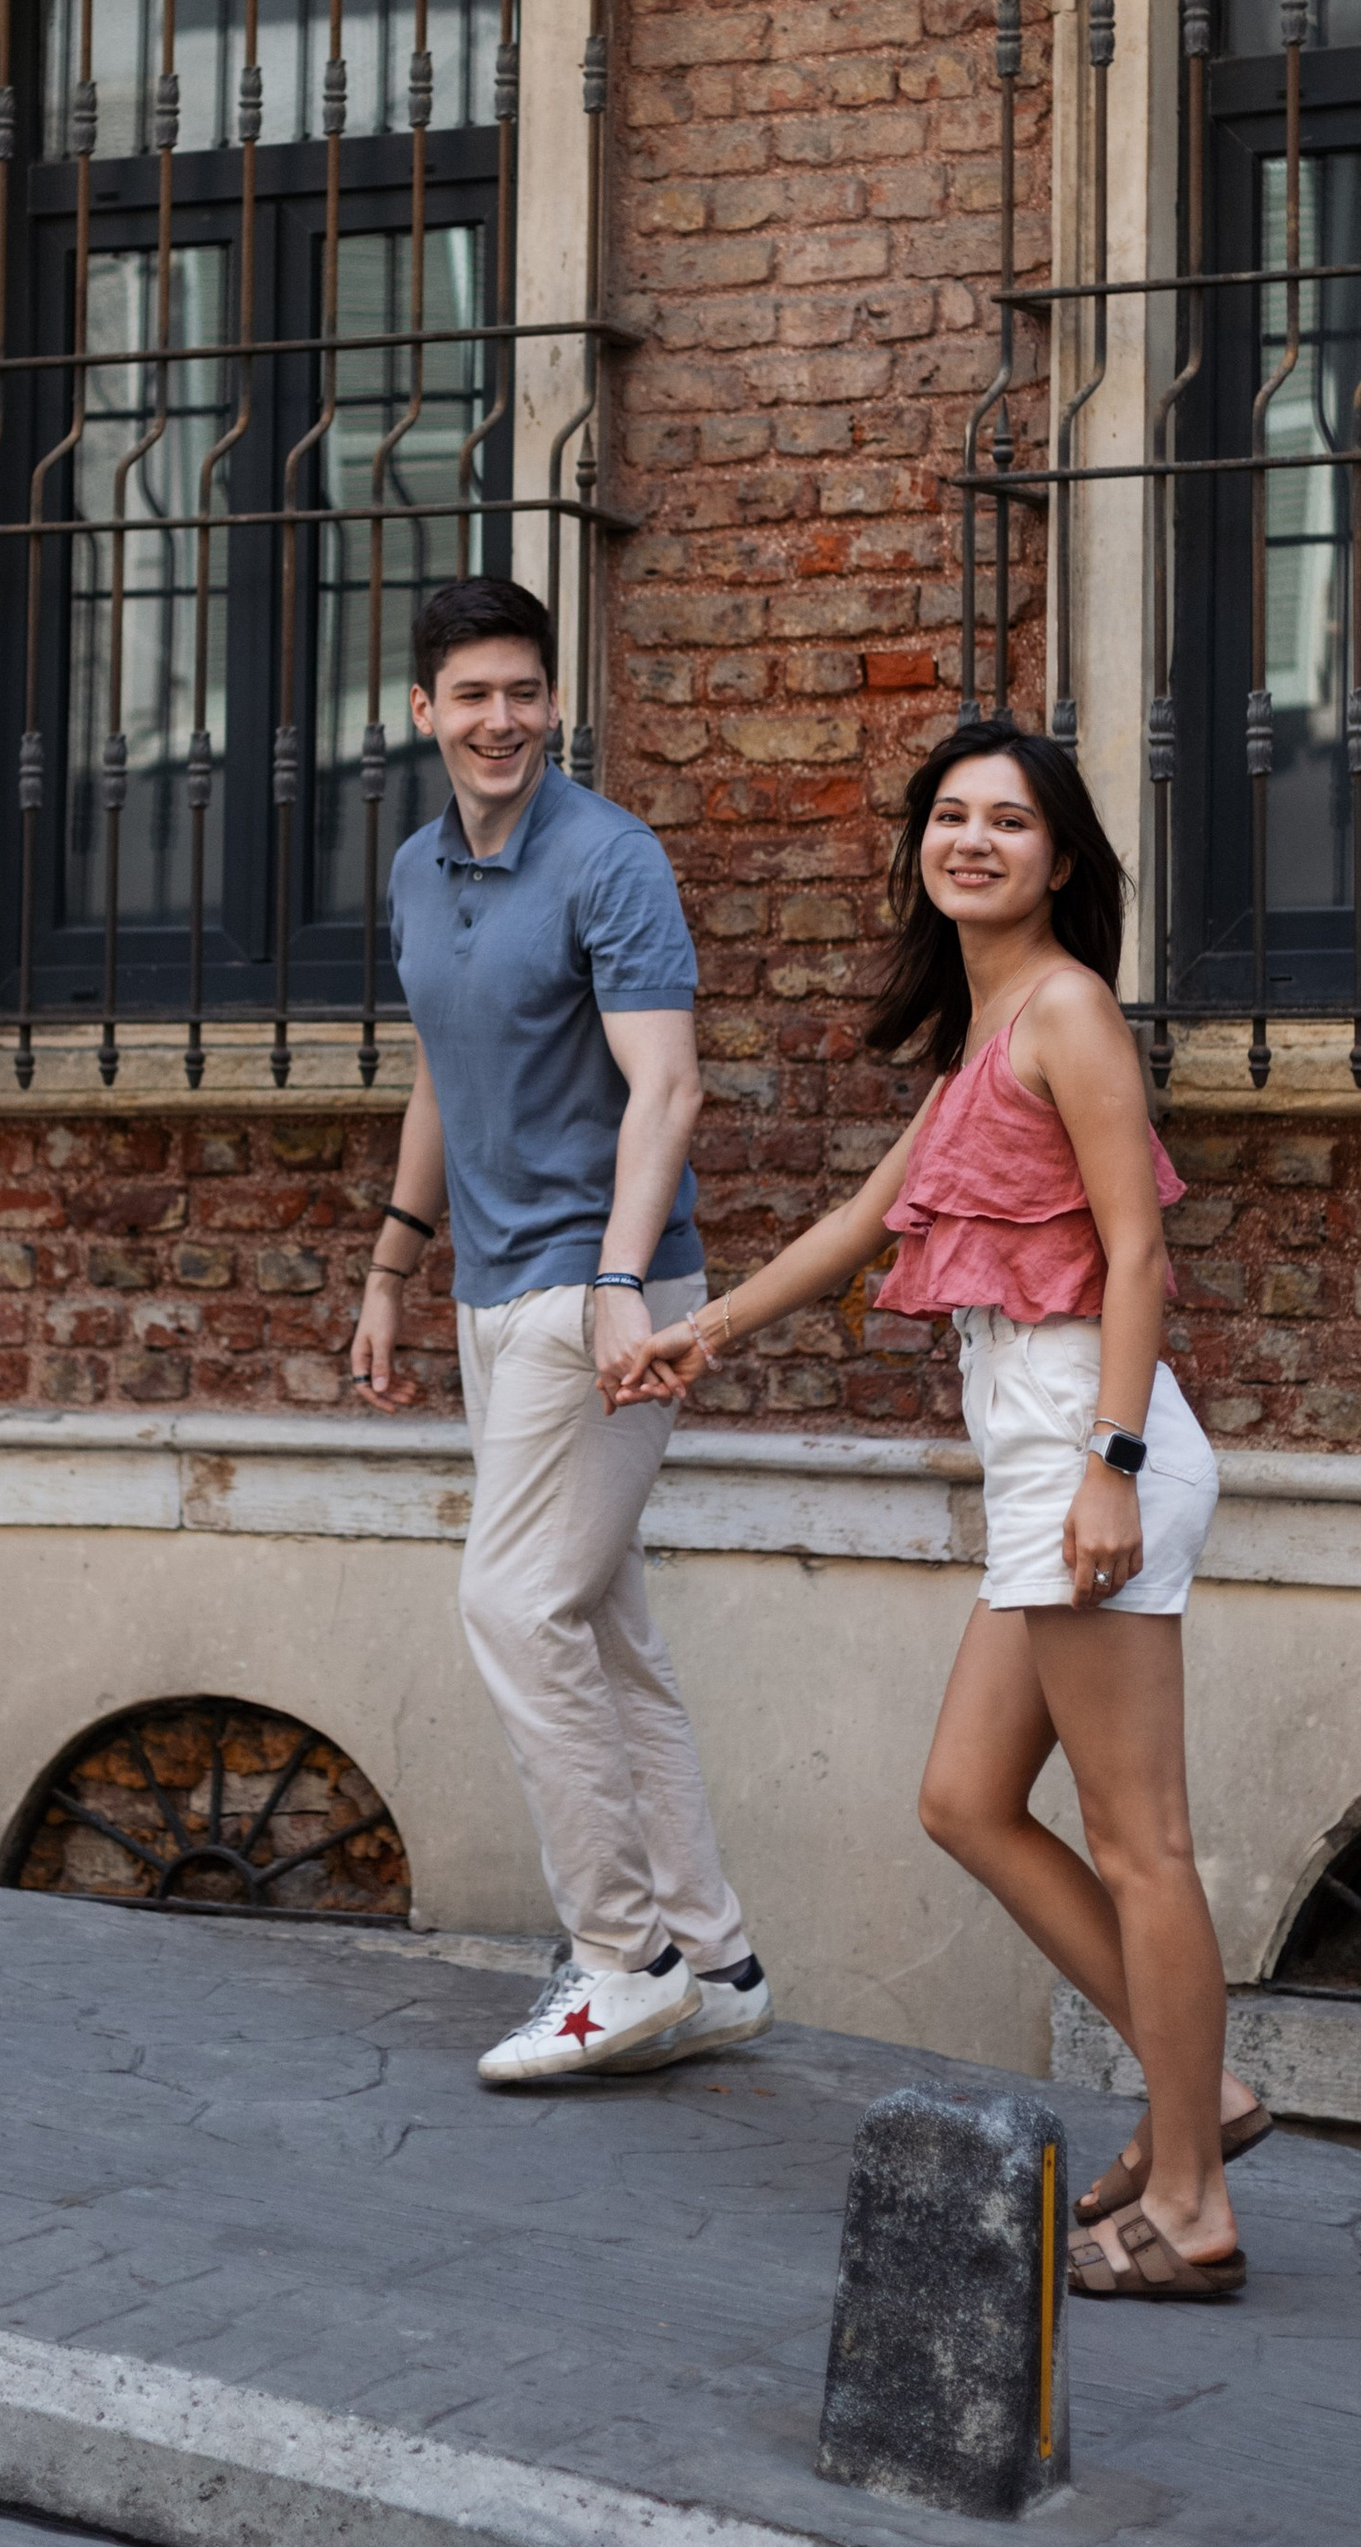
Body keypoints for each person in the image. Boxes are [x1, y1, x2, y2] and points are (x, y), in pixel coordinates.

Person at [619, 720, 1263, 2301]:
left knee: (1140, 1840)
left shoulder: (1070, 1012)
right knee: (967, 1799)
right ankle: (1208, 2097)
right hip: (1044, 1456)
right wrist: (700, 1333)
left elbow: (1136, 1256)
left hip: (1086, 1452)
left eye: (1010, 822)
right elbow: (858, 1221)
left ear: (1061, 859)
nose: (973, 840)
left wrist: (1110, 1464)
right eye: (951, 816)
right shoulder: (991, 1031)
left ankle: (1190, 2200)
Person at [349, 575, 770, 2089]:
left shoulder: (611, 860)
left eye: (524, 691)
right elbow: (441, 1077)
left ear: (553, 703)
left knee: (515, 1608)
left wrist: (615, 1275)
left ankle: (621, 1959)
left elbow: (668, 1090)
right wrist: (394, 1268)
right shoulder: (416, 871)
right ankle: (711, 1957)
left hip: (604, 1299)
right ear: (422, 711)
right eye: (471, 694)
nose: (501, 718)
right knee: (600, 1622)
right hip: (488, 1292)